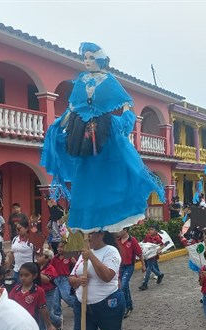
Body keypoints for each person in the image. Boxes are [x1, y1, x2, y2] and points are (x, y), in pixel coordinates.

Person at [41, 42, 164, 233]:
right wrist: (60, 124)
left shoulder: (109, 80)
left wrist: (126, 118)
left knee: (110, 169)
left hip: (104, 127)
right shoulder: (81, 80)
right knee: (84, 172)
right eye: (85, 58)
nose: (87, 61)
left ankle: (113, 210)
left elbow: (126, 102)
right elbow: (73, 106)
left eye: (91, 57)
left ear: (99, 60)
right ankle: (89, 218)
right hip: (80, 129)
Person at [69, 230, 127, 330]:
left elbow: (107, 276)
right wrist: (78, 281)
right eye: (85, 234)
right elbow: (71, 277)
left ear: (101, 234)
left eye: (91, 234)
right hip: (83, 305)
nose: (87, 237)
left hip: (106, 304)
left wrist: (91, 257)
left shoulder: (111, 251)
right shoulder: (83, 254)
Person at [10, 262, 56, 330]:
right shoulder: (16, 289)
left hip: (31, 324)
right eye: (21, 275)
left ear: (34, 276)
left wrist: (49, 325)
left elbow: (43, 309)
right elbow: (9, 304)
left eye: (26, 275)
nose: (23, 278)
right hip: (16, 324)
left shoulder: (38, 291)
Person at [117, 227, 145, 317]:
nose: (118, 231)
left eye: (120, 230)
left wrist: (143, 265)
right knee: (123, 286)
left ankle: (127, 306)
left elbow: (139, 253)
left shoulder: (132, 240)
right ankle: (128, 305)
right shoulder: (117, 241)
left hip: (129, 266)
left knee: (124, 285)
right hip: (120, 267)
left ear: (125, 230)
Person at [36, 249, 63, 330]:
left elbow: (46, 280)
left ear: (47, 258)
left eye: (40, 256)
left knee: (46, 313)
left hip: (48, 293)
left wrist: (36, 272)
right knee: (40, 312)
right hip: (38, 292)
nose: (37, 257)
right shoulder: (36, 266)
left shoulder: (50, 268)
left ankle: (58, 321)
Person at [50, 242, 76, 322]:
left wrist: (73, 261)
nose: (59, 249)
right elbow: (50, 267)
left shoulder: (68, 257)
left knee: (67, 297)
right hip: (56, 280)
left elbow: (76, 265)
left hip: (65, 279)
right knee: (55, 300)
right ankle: (58, 316)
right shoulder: (55, 258)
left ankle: (78, 308)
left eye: (62, 247)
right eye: (58, 247)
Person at [6, 219, 35, 285]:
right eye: (16, 229)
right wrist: (8, 268)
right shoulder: (15, 239)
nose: (17, 231)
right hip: (17, 270)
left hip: (29, 271)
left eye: (20, 229)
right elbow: (12, 254)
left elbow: (39, 254)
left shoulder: (32, 240)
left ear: (27, 228)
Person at [139, 226, 165, 291]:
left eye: (152, 229)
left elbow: (162, 245)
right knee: (151, 268)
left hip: (152, 256)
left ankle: (145, 284)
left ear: (156, 231)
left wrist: (159, 249)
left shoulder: (157, 238)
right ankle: (160, 274)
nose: (150, 231)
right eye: (149, 229)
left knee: (148, 269)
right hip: (146, 254)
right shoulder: (147, 236)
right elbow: (144, 244)